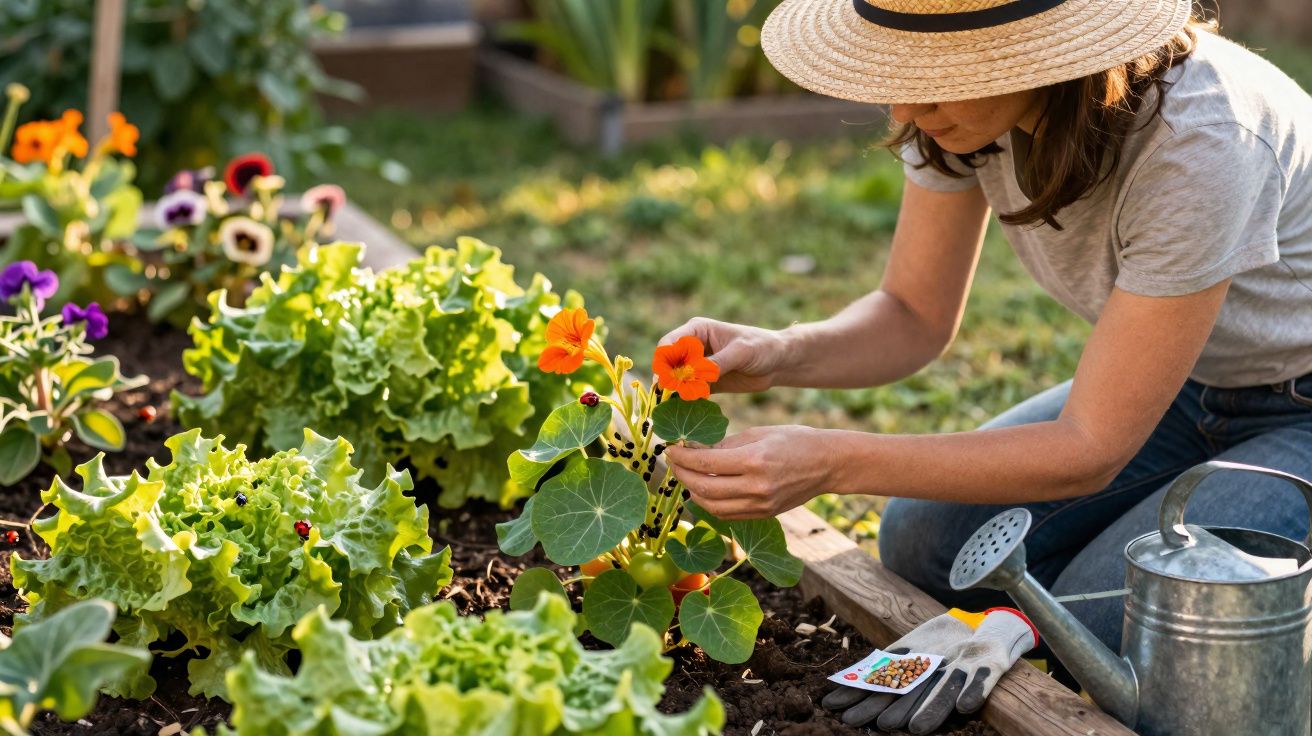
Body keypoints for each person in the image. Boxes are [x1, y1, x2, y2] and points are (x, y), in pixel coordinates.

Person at [661, 0, 1312, 672]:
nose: (907, 110)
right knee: (923, 543)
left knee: (1099, 615)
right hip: (1189, 387)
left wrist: (830, 460)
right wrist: (779, 352)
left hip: (1304, 407)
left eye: (937, 73)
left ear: (1036, 48)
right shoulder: (959, 115)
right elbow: (912, 312)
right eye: (898, 69)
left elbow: (1090, 448)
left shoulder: (1202, 142)